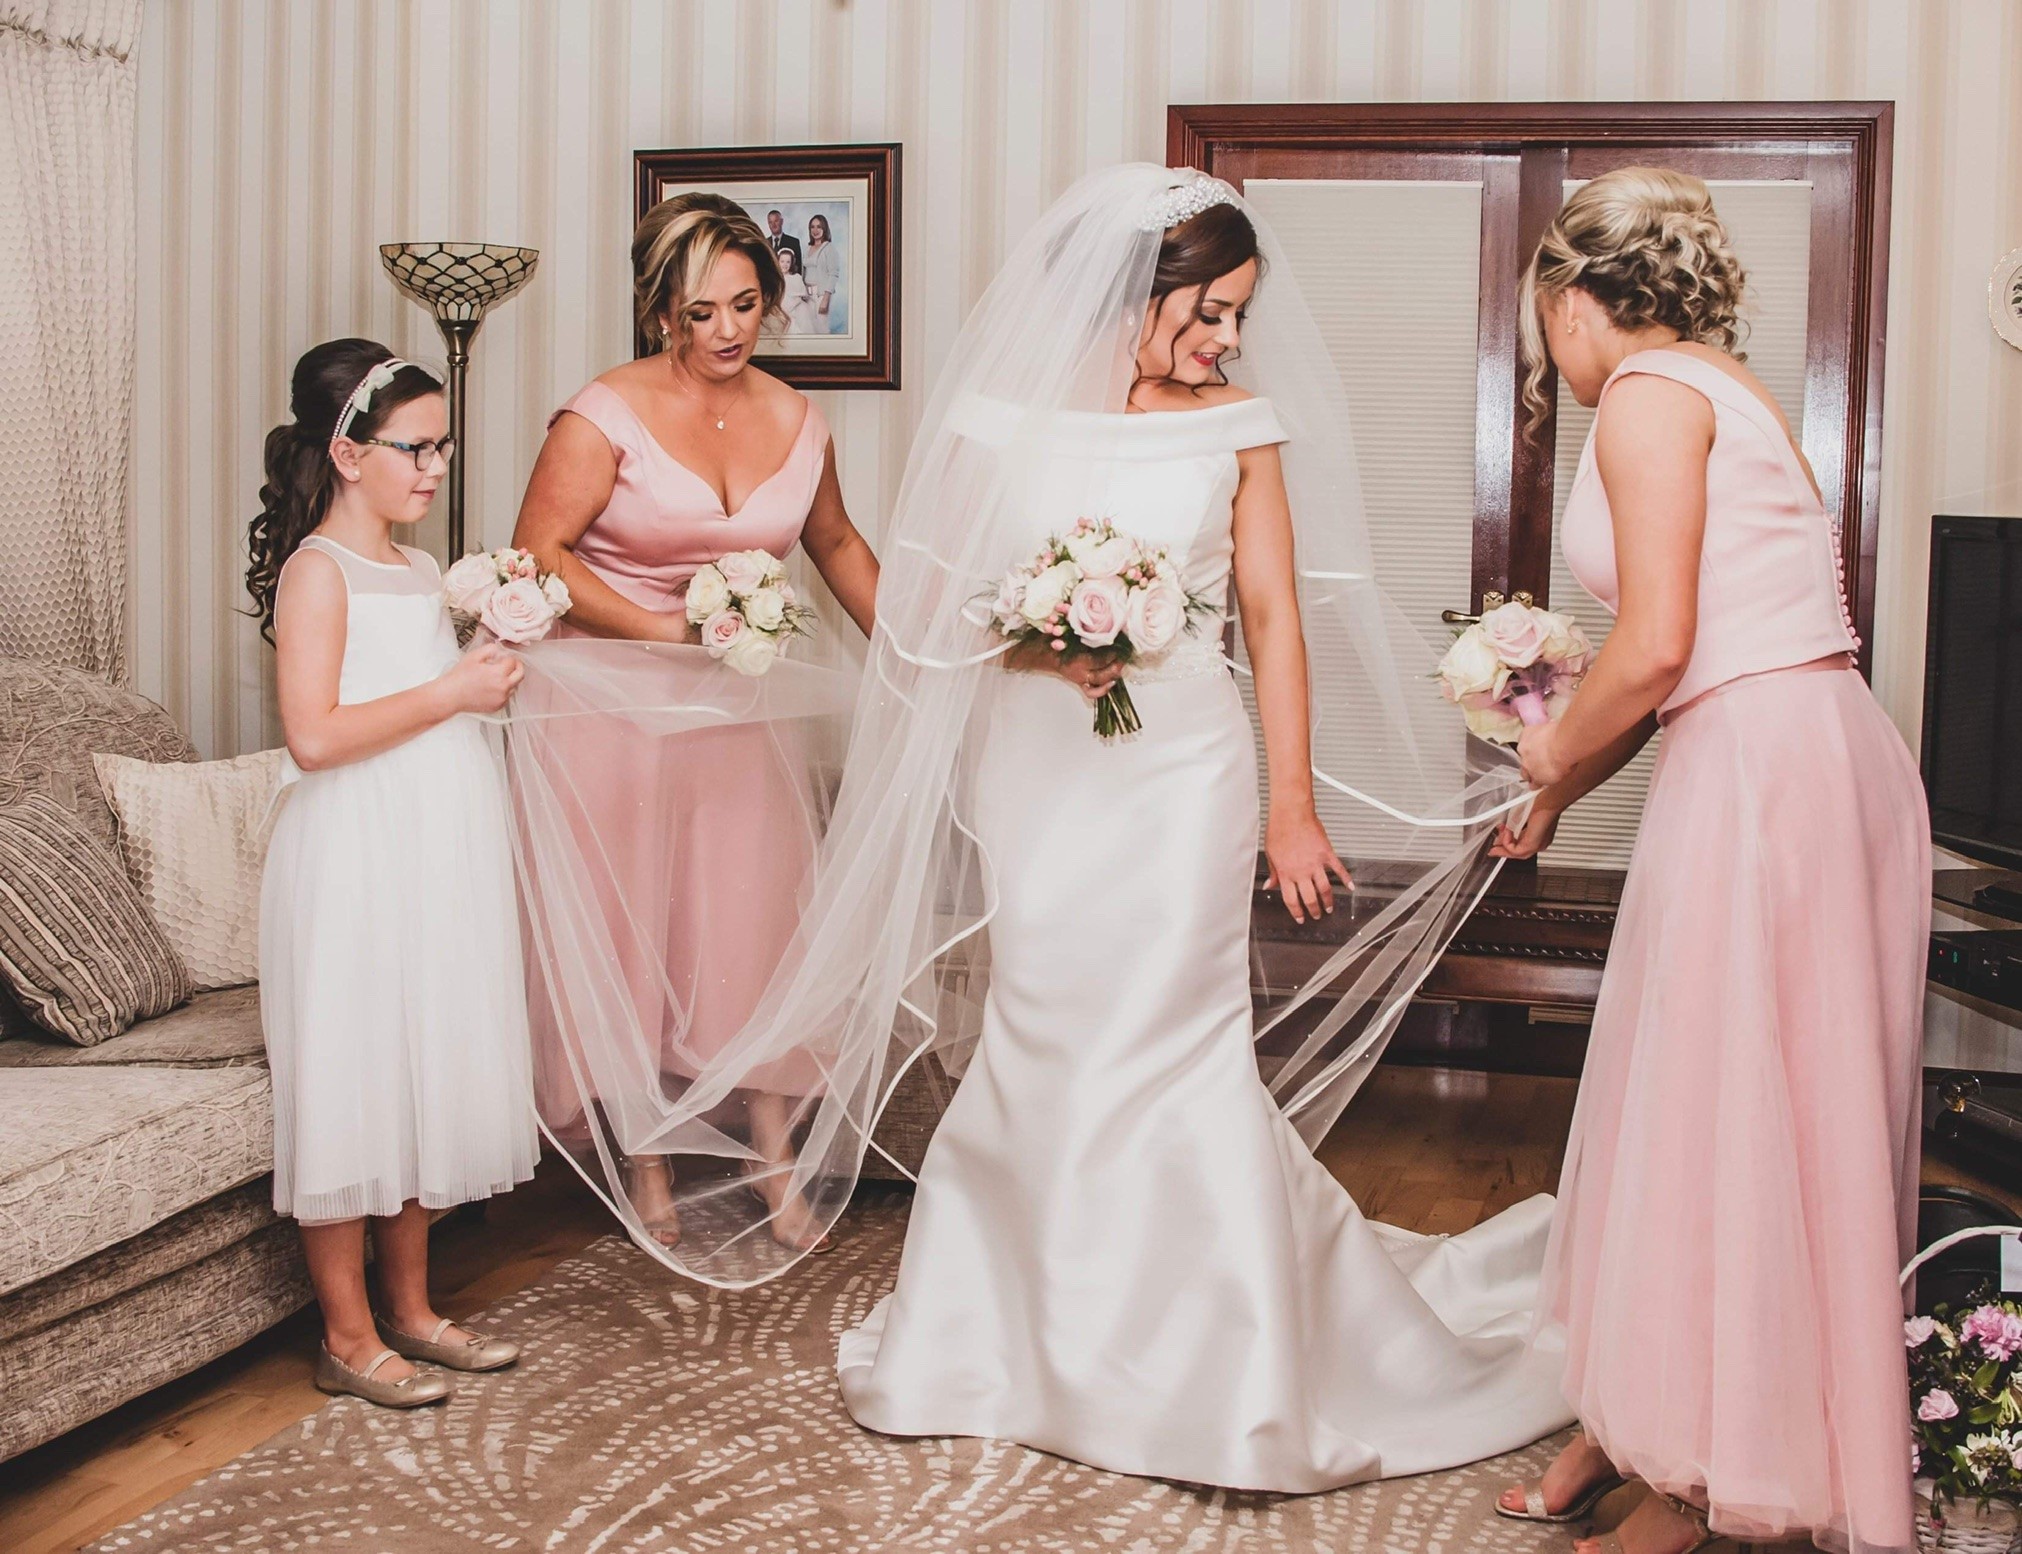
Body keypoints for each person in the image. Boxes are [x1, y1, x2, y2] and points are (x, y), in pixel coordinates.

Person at [791, 165, 1569, 1490]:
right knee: (1045, 1022)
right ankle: (1018, 1334)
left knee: (1172, 1035)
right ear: (1132, 293)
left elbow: (1268, 617)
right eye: (1204, 312)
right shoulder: (996, 419)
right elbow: (937, 607)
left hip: (1185, 766)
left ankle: (1217, 1352)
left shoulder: (1236, 425)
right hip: (1039, 768)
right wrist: (1035, 646)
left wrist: (1290, 803)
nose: (1222, 340)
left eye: (1238, 316)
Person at [1491, 167, 1928, 1554]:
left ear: (1568, 301)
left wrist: (1550, 753)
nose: (1546, 362)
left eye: (1539, 330)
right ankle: (1635, 1430)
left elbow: (1663, 639)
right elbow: (1714, 645)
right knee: (1757, 1102)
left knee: (1724, 1104)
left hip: (1758, 774)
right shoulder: (1729, 386)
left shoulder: (1639, 398)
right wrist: (1574, 784)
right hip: (1816, 743)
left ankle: (1686, 1491)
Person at [506, 192, 878, 1266]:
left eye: (746, 305)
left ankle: (769, 1149)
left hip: (734, 709)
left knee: (751, 925)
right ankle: (649, 1158)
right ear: (660, 311)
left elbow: (838, 542)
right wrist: (670, 629)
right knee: (634, 929)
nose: (726, 331)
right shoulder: (601, 414)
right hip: (603, 709)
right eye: (700, 310)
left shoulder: (799, 420)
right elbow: (539, 556)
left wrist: (914, 655)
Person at [250, 338, 537, 1409]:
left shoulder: (420, 571)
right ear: (348, 451)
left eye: (442, 447)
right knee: (352, 1080)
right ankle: (346, 1332)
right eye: (413, 448)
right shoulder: (317, 572)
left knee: (417, 1071)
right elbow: (314, 737)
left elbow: (426, 699)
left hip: (431, 843)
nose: (433, 468)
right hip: (352, 852)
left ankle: (414, 1312)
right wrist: (454, 693)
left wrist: (485, 678)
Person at [803, 212, 841, 333]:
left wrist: (826, 299)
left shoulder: (829, 248)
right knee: (809, 329)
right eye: (812, 227)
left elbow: (833, 274)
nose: (815, 230)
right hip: (807, 296)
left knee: (822, 329)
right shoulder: (807, 248)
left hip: (821, 295)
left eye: (819, 226)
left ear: (824, 228)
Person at [778, 244, 817, 335]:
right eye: (782, 261)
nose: (785, 264)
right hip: (780, 309)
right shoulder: (775, 279)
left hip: (795, 310)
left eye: (788, 262)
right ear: (778, 262)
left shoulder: (796, 278)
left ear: (792, 263)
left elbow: (802, 295)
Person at [764, 207, 801, 273]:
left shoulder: (793, 242)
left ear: (781, 222)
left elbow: (798, 267)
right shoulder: (764, 243)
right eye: (770, 222)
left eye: (776, 221)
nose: (773, 225)